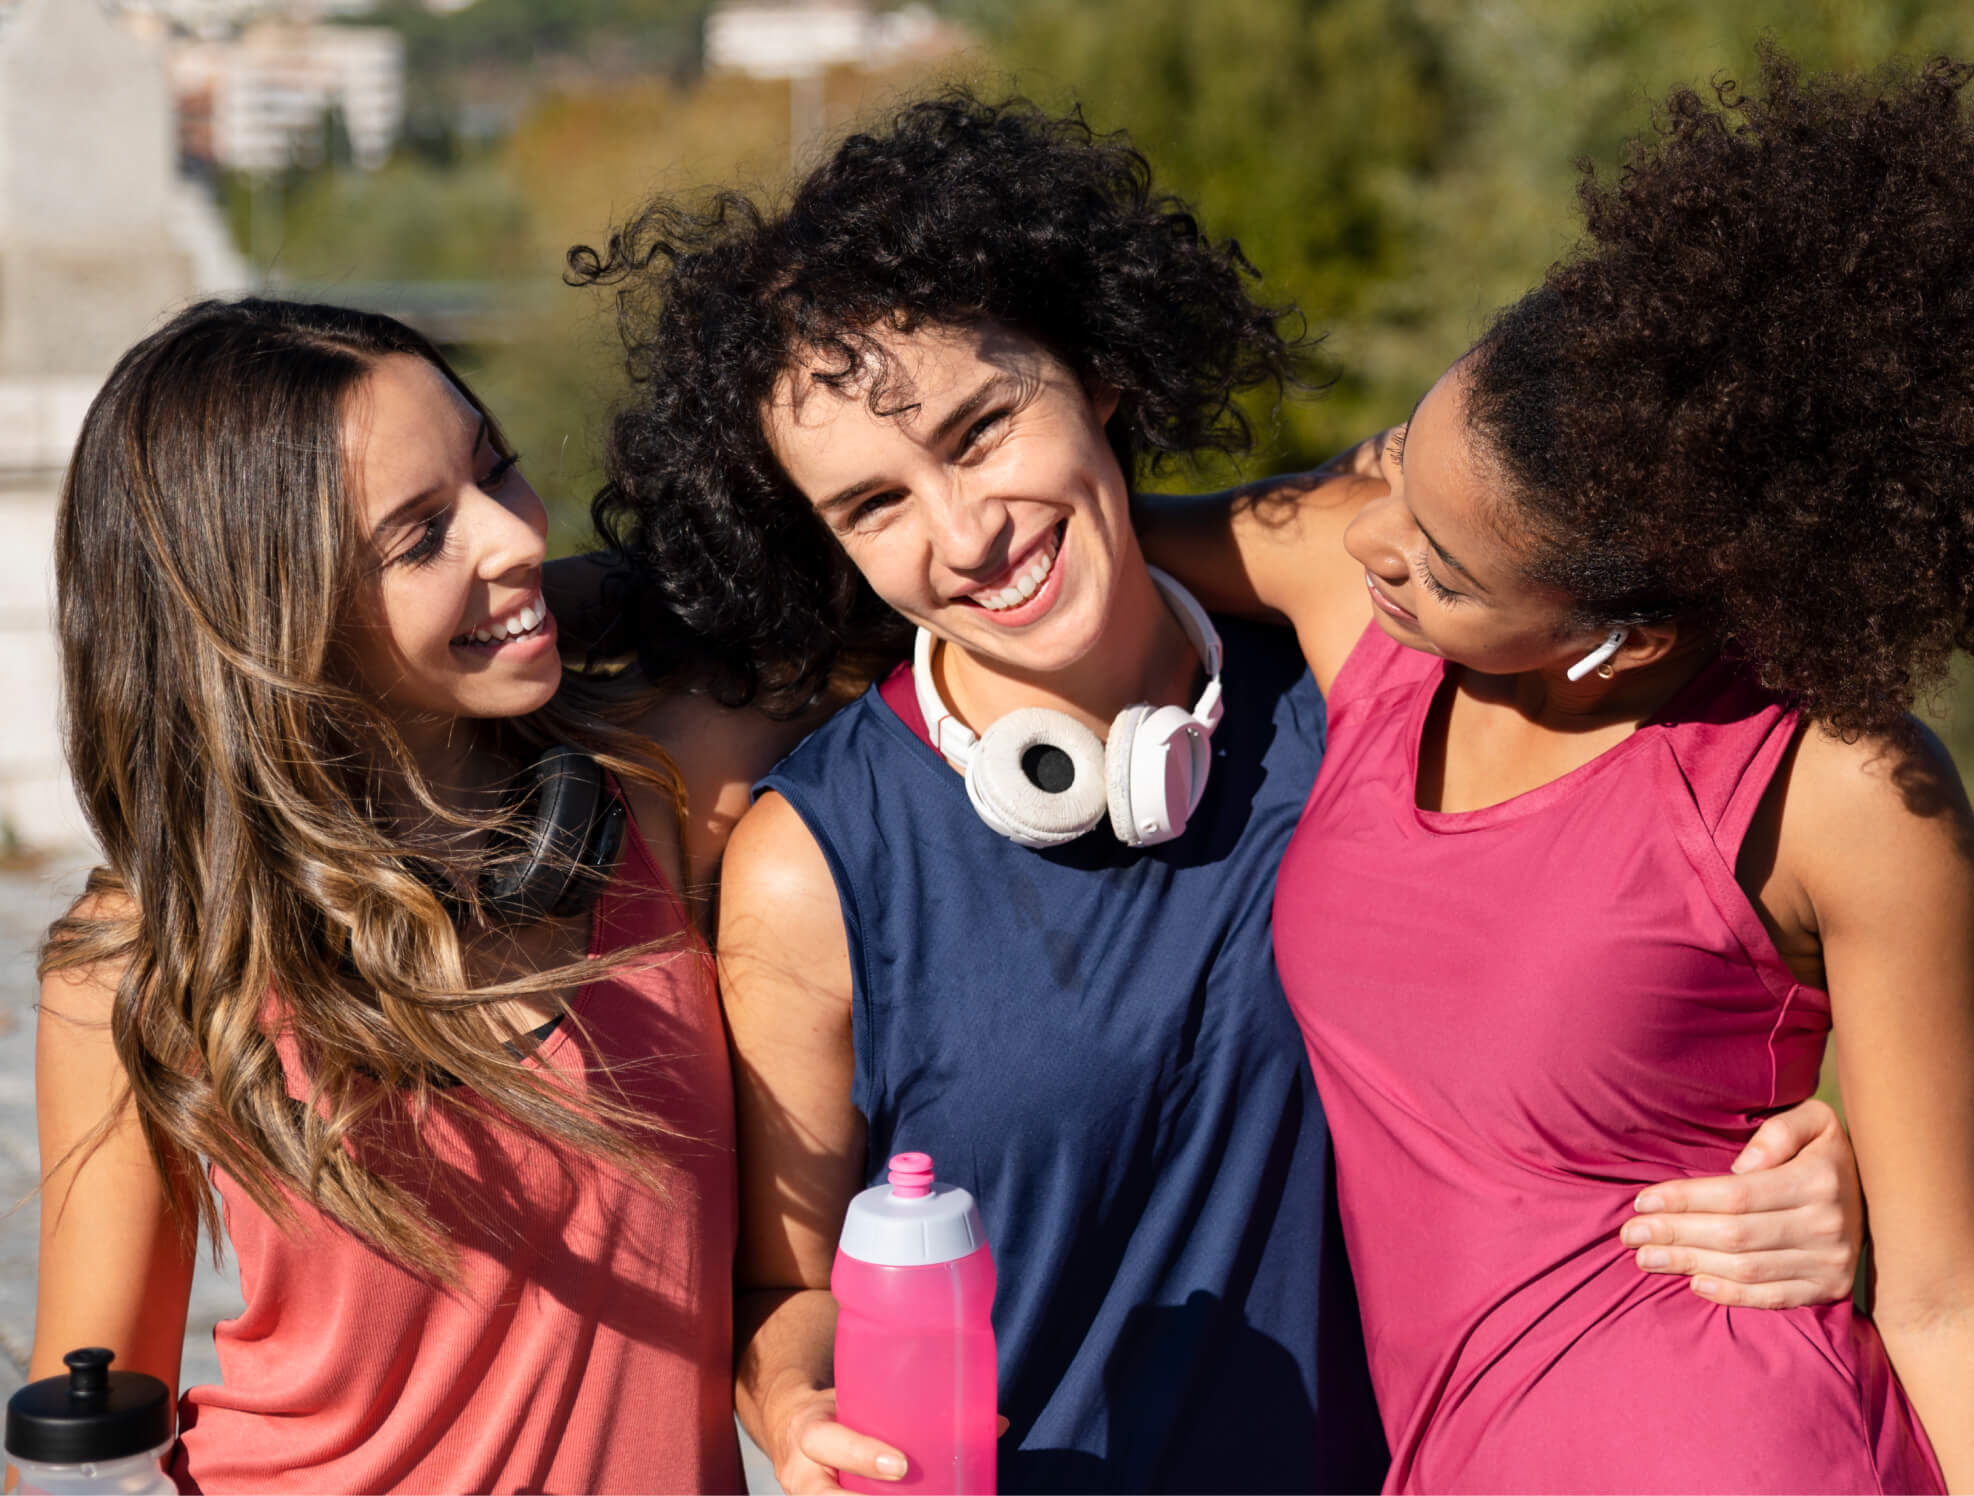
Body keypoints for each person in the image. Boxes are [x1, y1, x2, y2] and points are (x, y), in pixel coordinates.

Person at [573, 93, 1869, 1494]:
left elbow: (1659, 950)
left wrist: (1819, 1177)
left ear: (1101, 375)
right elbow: (786, 1287)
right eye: (873, 506)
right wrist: (798, 1411)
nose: (964, 533)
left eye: (982, 430)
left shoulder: (1365, 691)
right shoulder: (806, 865)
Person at [1142, 49, 1974, 1493]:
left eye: (1446, 563)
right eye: (1396, 460)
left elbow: (1945, 1294)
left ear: (1625, 637)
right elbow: (1046, 554)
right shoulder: (1379, 609)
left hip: (1730, 1450)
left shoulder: (1843, 789)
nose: (1370, 542)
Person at [29, 298, 799, 1493]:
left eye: (496, 465)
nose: (512, 534)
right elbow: (84, 1424)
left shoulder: (661, 789)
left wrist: (592, 592)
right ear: (276, 621)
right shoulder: (139, 964)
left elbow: (904, 574)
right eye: (422, 533)